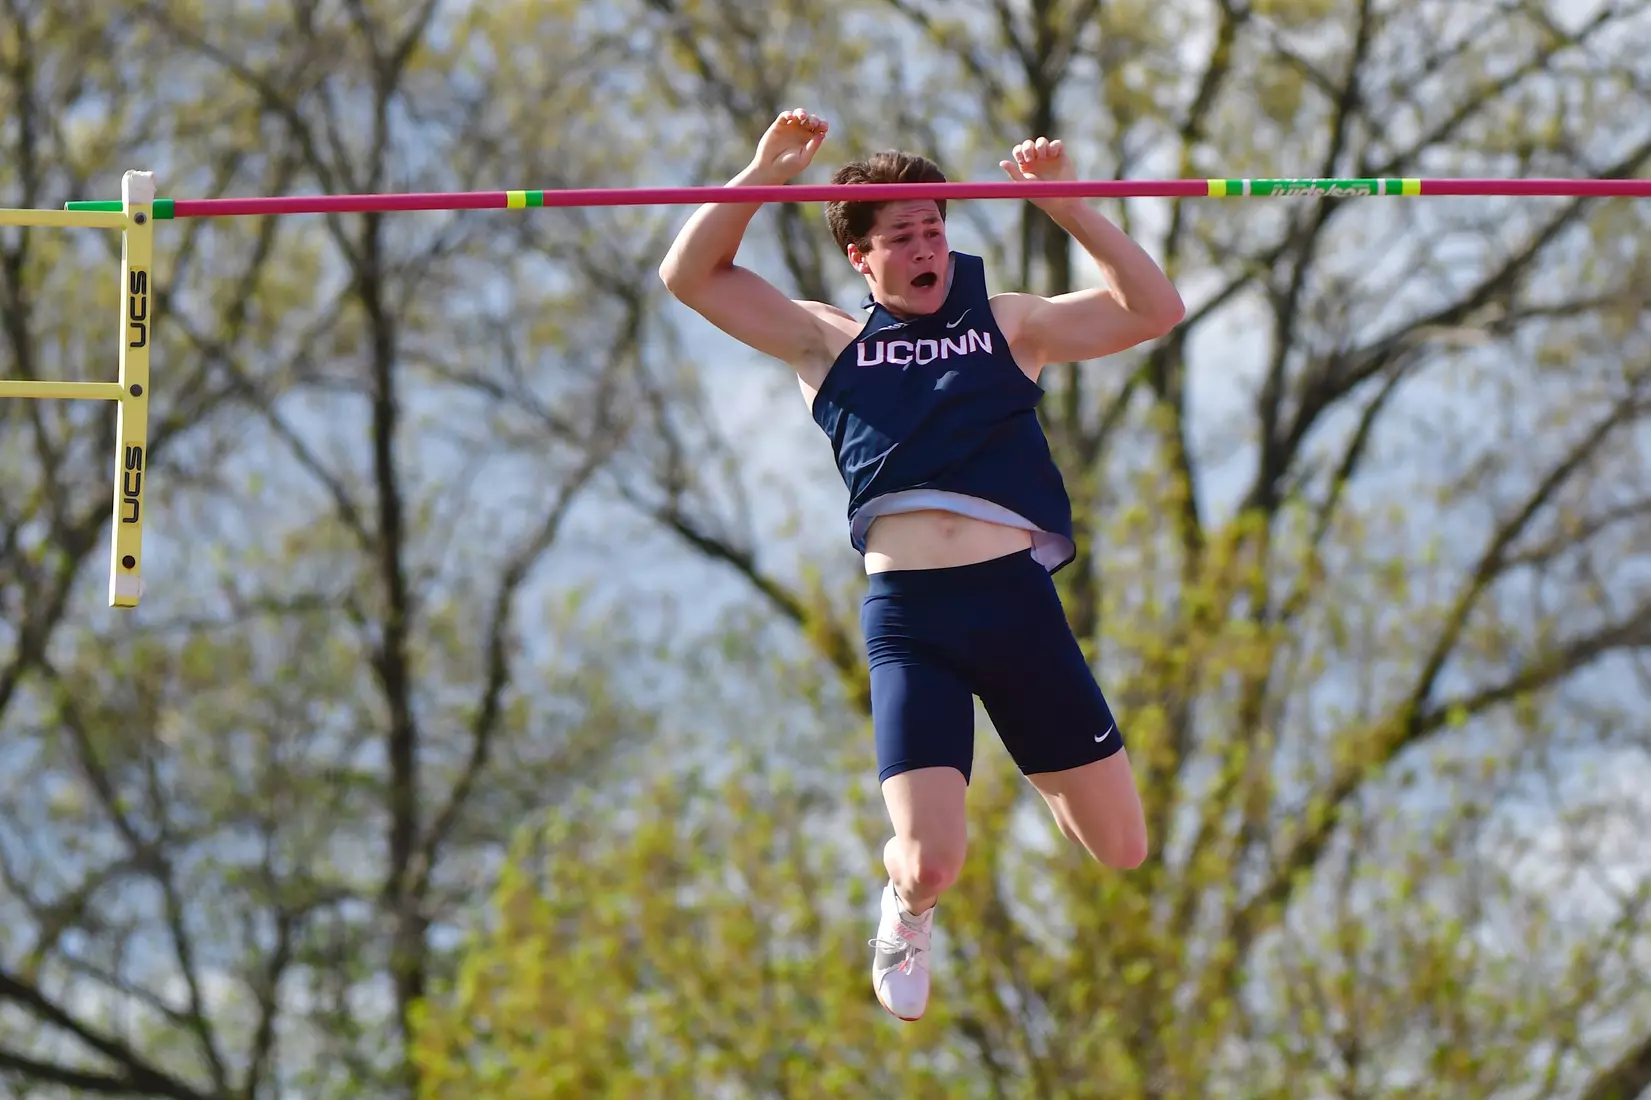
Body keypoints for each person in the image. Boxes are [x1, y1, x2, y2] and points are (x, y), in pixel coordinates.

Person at [658, 108, 1184, 1023]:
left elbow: (1155, 311)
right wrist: (762, 171)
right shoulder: (827, 341)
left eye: (934, 227)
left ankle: (1039, 769)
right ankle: (907, 907)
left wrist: (1070, 208)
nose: (923, 245)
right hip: (912, 622)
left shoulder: (1010, 324)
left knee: (1120, 846)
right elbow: (688, 275)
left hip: (1015, 608)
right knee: (932, 856)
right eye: (901, 235)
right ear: (862, 257)